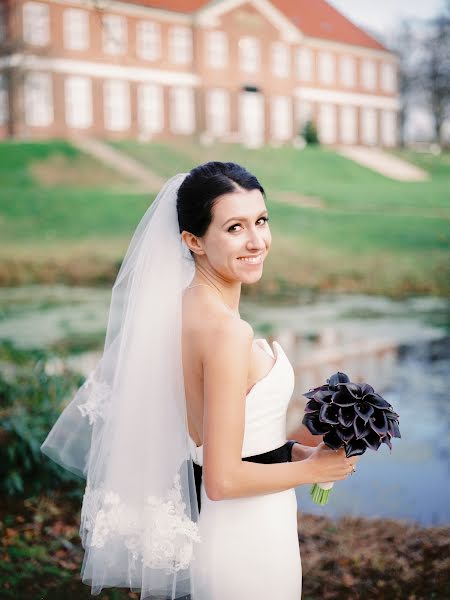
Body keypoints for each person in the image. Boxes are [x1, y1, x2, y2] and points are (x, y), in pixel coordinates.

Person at [40, 161, 358, 600]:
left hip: (232, 527)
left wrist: (294, 450)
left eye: (261, 221)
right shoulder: (228, 333)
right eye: (234, 227)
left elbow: (218, 443)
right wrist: (312, 469)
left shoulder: (179, 310)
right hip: (247, 539)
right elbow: (222, 479)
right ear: (194, 241)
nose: (256, 241)